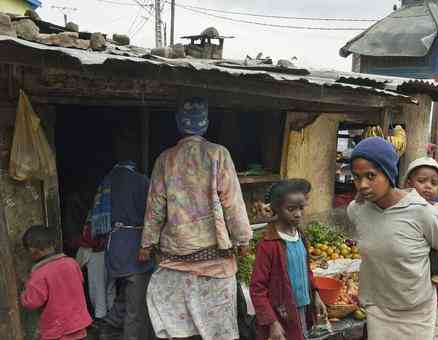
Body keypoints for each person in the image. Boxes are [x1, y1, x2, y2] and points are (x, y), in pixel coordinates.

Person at [140, 98, 253, 340]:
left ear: (179, 125)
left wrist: (147, 243)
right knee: (217, 327)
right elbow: (233, 202)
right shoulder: (218, 153)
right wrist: (243, 240)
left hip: (175, 256)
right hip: (214, 258)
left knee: (178, 326)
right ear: (206, 123)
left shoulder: (165, 158)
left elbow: (155, 207)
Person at [347, 137, 438, 340]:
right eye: (356, 177)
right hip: (377, 309)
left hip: (415, 312)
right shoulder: (357, 210)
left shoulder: (423, 212)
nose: (362, 184)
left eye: (371, 176)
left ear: (389, 173)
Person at [92, 141, 155, 340]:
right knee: (136, 310)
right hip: (135, 248)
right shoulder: (140, 181)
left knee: (127, 294)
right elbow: (154, 214)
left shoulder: (108, 180)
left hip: (115, 246)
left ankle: (108, 327)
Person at [250, 179, 327, 340]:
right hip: (280, 313)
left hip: (301, 309)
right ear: (276, 208)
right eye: (291, 209)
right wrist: (272, 322)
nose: (298, 213)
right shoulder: (268, 245)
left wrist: (316, 295)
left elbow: (307, 271)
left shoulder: (300, 236)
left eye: (301, 208)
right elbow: (257, 288)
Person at [20, 225, 92, 340]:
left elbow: (32, 302)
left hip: (57, 329)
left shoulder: (39, 274)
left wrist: (24, 290)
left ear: (33, 251)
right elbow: (80, 281)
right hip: (78, 324)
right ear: (54, 244)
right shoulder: (71, 263)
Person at [403, 157, 438, 314]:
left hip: (429, 259)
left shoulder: (437, 209)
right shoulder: (402, 205)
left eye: (433, 183)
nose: (428, 186)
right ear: (409, 183)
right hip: (406, 261)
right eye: (422, 181)